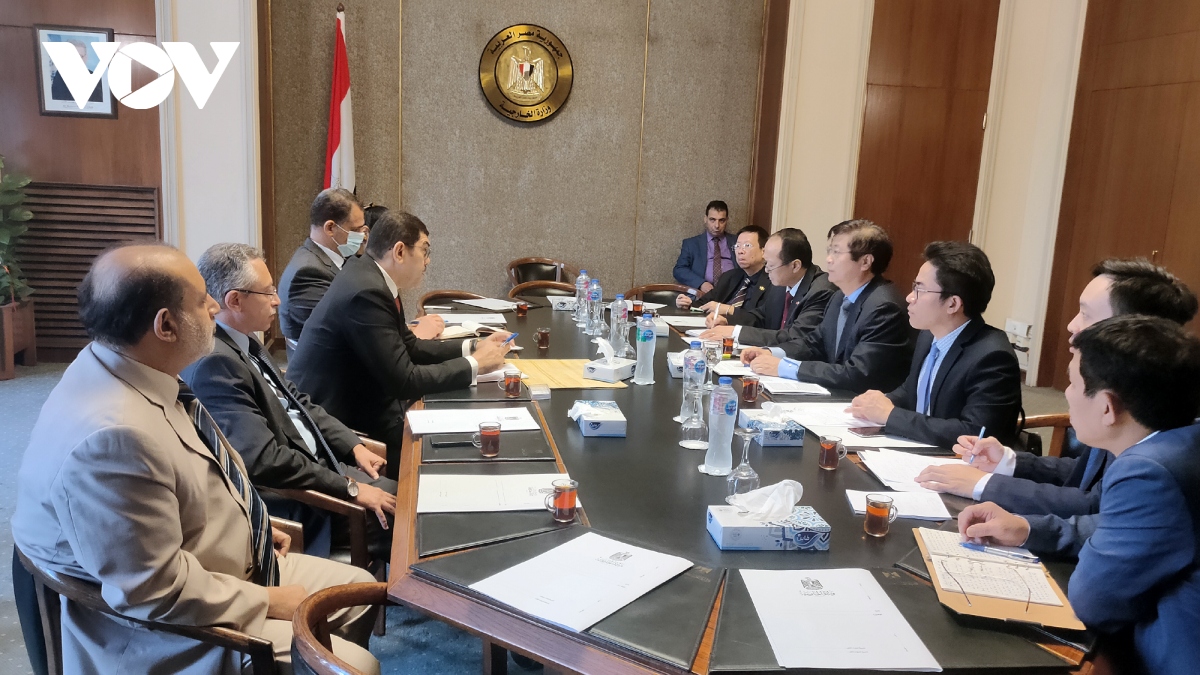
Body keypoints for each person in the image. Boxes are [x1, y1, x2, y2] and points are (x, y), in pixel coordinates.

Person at [11, 243, 378, 675]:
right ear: (165, 325)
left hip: (216, 565)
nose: (214, 307)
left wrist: (252, 524)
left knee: (360, 589)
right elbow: (152, 591)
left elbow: (187, 477)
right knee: (357, 666)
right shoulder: (113, 438)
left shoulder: (122, 364)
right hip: (167, 630)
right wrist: (268, 601)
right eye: (203, 299)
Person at [957, 316, 1200, 675]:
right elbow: (1112, 525)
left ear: (1107, 407)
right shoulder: (1180, 440)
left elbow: (1093, 601)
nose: (1068, 394)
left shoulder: (1147, 471)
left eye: (1073, 383)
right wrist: (1028, 528)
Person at [916, 258, 1198, 515]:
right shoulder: (1128, 392)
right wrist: (1008, 462)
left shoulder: (1153, 428)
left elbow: (1097, 506)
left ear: (1129, 330)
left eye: (1086, 314)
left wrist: (984, 485)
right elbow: (1086, 473)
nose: (1072, 325)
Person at [182, 243, 397, 559]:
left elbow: (297, 401)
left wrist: (353, 445)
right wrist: (350, 488)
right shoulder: (215, 363)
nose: (277, 300)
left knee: (412, 494)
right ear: (235, 300)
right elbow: (265, 460)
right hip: (305, 502)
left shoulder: (245, 339)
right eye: (267, 292)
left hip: (322, 468)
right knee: (411, 513)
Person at [288, 210, 512, 468]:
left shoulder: (370, 275)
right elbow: (404, 381)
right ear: (400, 251)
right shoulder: (366, 292)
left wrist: (473, 346)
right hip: (337, 424)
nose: (428, 261)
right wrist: (476, 364)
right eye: (425, 251)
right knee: (458, 450)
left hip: (362, 402)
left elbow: (410, 345)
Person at [847, 242, 1021, 448]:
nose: (909, 297)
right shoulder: (928, 335)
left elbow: (974, 433)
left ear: (952, 304)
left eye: (920, 289)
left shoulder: (993, 357)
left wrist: (890, 415)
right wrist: (880, 402)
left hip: (958, 460)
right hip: (919, 448)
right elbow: (913, 390)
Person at [740, 219, 913, 394]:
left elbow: (857, 374)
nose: (828, 259)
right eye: (829, 251)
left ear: (865, 262)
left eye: (836, 252)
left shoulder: (883, 308)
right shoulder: (839, 297)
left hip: (865, 402)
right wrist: (772, 353)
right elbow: (814, 343)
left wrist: (784, 367)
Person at [277, 191, 441, 353]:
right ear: (330, 228)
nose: (363, 237)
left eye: (364, 230)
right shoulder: (308, 273)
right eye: (355, 230)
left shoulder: (337, 259)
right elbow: (349, 335)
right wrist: (416, 335)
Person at [700, 227, 835, 344]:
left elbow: (795, 337)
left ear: (795, 266)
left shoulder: (821, 291)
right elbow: (760, 317)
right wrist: (727, 321)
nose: (766, 270)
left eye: (770, 266)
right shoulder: (781, 284)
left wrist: (735, 333)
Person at [675, 225, 778, 327]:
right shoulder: (730, 276)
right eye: (737, 246)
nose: (740, 251)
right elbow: (704, 303)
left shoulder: (773, 282)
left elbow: (762, 319)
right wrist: (688, 304)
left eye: (747, 245)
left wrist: (729, 310)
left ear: (763, 251)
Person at [673, 200, 738, 293]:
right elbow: (679, 270)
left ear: (727, 220)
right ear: (705, 219)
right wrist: (701, 283)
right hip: (703, 294)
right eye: (712, 220)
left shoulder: (737, 241)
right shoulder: (691, 244)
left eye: (721, 220)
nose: (717, 225)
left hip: (732, 293)